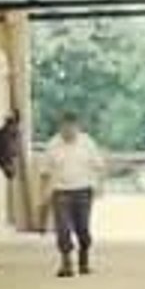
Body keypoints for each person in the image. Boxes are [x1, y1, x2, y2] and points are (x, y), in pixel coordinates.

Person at [39, 113, 105, 277]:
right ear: (60, 127)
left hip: (83, 191)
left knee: (83, 228)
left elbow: (99, 166)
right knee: (63, 228)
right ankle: (66, 263)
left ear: (77, 127)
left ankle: (84, 260)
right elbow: (45, 172)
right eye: (64, 127)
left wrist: (100, 186)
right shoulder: (53, 145)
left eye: (71, 127)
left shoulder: (87, 143)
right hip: (61, 192)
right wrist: (43, 194)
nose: (68, 131)